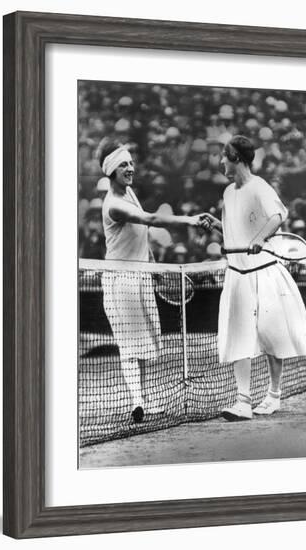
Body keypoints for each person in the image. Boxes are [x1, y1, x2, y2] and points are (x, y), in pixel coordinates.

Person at [204, 135, 306, 420]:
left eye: (224, 157)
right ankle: (243, 401)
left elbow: (279, 215)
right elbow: (234, 232)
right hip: (238, 275)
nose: (220, 162)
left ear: (237, 159)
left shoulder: (260, 186)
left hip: (264, 273)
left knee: (272, 337)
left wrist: (260, 237)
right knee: (238, 337)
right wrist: (216, 225)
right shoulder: (229, 193)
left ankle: (274, 395)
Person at [98, 140, 211, 423]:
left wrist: (152, 265)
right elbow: (149, 219)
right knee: (129, 345)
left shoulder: (129, 192)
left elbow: (140, 234)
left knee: (145, 344)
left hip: (141, 276)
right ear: (111, 170)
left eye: (131, 163)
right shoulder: (114, 205)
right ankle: (137, 401)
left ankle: (144, 402)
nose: (130, 168)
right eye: (124, 164)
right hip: (119, 281)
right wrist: (190, 220)